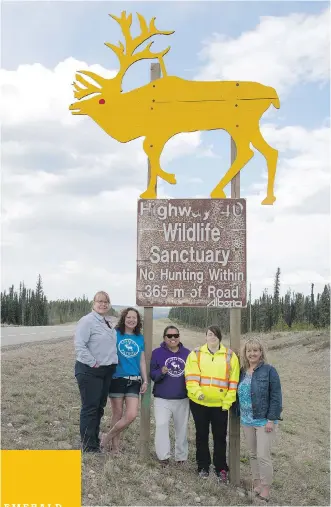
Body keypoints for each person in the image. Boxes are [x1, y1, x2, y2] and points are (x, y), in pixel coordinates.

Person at [185, 326, 240, 482]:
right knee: (201, 435)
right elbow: (190, 377)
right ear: (205, 337)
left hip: (220, 405)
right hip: (199, 403)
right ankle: (203, 466)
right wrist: (198, 392)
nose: (212, 337)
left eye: (215, 334)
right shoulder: (196, 354)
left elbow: (233, 381)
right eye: (210, 334)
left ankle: (220, 469)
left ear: (220, 337)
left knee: (220, 437)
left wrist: (227, 402)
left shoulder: (230, 356)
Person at [237, 337, 282, 502]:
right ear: (245, 353)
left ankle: (266, 487)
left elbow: (276, 397)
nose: (252, 353)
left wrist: (271, 419)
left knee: (263, 455)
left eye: (255, 350)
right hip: (246, 419)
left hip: (264, 421)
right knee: (252, 453)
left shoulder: (269, 371)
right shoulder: (242, 371)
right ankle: (256, 482)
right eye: (249, 350)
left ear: (261, 352)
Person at [74, 291, 118, 452]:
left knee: (99, 407)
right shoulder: (87, 321)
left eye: (106, 302)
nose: (103, 304)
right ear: (93, 303)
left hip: (105, 371)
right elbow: (80, 346)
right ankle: (88, 446)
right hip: (89, 370)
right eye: (100, 301)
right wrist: (94, 363)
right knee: (90, 407)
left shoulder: (106, 321)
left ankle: (93, 437)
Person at [101, 307, 148, 453]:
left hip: (134, 380)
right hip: (116, 378)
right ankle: (115, 448)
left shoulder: (140, 338)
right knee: (117, 413)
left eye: (134, 317)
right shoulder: (115, 334)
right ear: (124, 319)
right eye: (129, 317)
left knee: (131, 414)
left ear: (138, 321)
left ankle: (106, 438)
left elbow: (141, 361)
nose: (131, 320)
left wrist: (145, 380)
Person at [150, 325, 190, 465]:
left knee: (182, 428)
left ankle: (181, 457)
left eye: (176, 335)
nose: (173, 338)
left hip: (182, 397)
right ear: (164, 338)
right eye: (169, 336)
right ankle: (163, 456)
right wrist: (161, 372)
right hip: (162, 397)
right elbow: (152, 375)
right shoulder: (157, 353)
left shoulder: (187, 354)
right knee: (161, 425)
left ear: (179, 337)